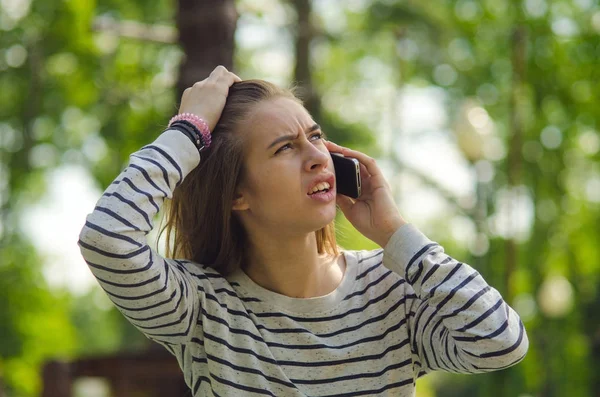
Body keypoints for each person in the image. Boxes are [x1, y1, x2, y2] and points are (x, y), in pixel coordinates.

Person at [78, 65, 528, 396]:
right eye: (285, 149)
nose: (317, 157)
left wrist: (395, 233)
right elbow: (106, 240)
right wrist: (188, 130)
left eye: (315, 137)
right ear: (237, 194)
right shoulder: (201, 308)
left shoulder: (391, 289)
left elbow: (501, 342)